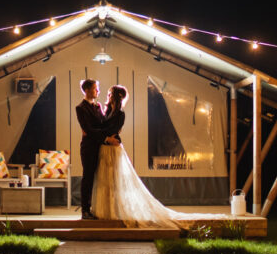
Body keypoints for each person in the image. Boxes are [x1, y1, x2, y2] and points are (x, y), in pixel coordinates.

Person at [91, 85, 221, 228]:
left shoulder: (120, 114)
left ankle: (113, 211)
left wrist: (102, 133)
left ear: (116, 96)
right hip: (105, 147)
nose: (108, 96)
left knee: (113, 180)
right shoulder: (107, 111)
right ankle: (106, 210)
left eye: (110, 94)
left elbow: (111, 129)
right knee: (105, 181)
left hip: (113, 149)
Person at [75, 79, 118, 219]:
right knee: (88, 177)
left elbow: (102, 125)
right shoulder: (80, 108)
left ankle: (97, 207)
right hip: (89, 148)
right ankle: (85, 210)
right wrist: (106, 138)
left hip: (100, 147)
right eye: (95, 88)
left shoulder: (98, 106)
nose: (98, 91)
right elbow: (88, 129)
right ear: (87, 90)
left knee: (99, 177)